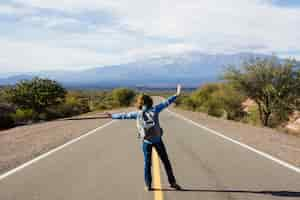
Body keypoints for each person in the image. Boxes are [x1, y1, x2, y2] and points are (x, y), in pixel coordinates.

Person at [104, 85, 182, 191]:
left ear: (140, 103)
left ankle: (148, 185)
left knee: (147, 164)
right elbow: (166, 102)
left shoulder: (138, 114)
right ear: (150, 101)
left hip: (146, 141)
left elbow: (124, 115)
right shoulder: (155, 110)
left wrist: (112, 116)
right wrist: (177, 94)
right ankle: (172, 183)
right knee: (166, 162)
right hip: (158, 140)